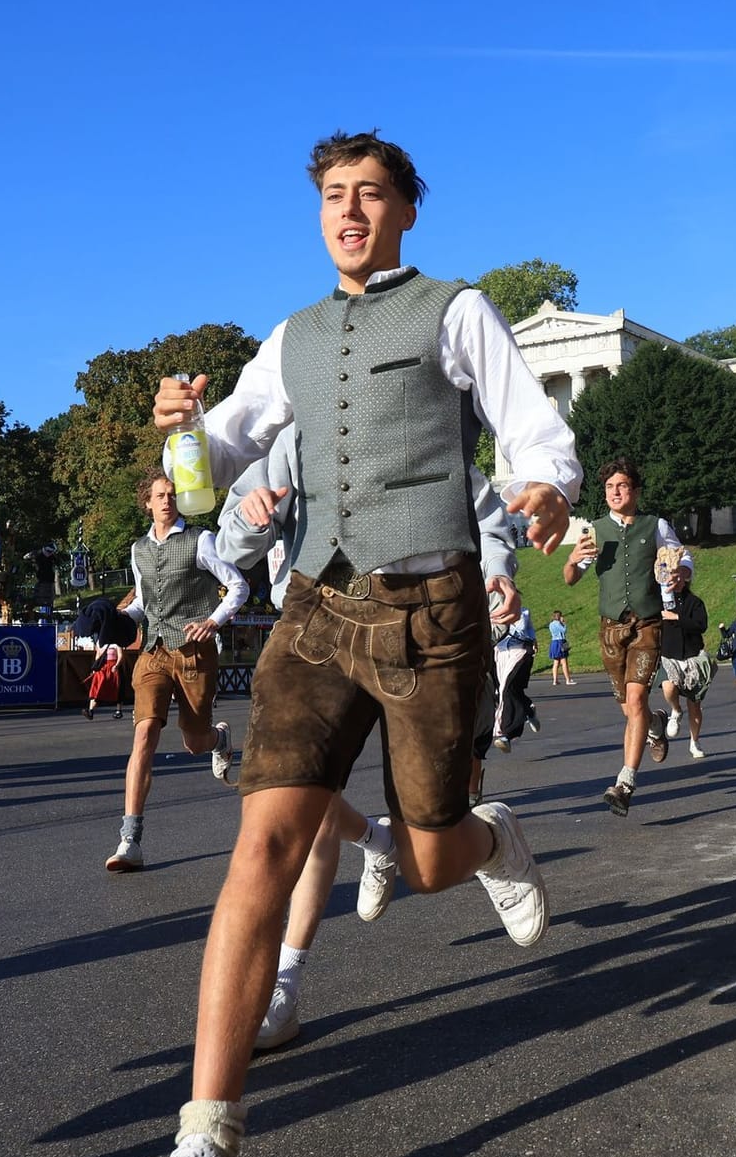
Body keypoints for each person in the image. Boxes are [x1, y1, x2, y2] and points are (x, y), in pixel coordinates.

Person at [95, 131, 576, 1157]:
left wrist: (544, 487)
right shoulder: (292, 336)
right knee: (259, 845)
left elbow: (534, 429)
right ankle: (203, 1154)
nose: (348, 211)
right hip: (315, 608)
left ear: (408, 210)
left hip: (430, 609)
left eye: (369, 194)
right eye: (332, 196)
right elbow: (221, 457)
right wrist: (182, 434)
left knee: (428, 851)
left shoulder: (456, 309)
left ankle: (491, 837)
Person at [213, 423, 522, 1052]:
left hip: (422, 635)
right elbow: (232, 541)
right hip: (314, 631)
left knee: (426, 857)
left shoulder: (422, 433)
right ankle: (285, 984)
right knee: (294, 817)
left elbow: (484, 509)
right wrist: (253, 516)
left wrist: (497, 570)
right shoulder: (294, 442)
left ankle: (471, 839)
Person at [104, 468, 249, 872]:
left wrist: (214, 621)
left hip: (194, 653)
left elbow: (238, 586)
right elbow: (141, 605)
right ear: (147, 502)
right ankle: (129, 841)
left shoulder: (201, 540)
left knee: (193, 743)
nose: (166, 500)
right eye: (159, 495)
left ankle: (217, 738)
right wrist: (117, 621)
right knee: (145, 733)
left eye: (172, 494)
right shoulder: (138, 549)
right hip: (153, 651)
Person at [564, 458, 682, 815]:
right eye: (610, 487)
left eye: (622, 486)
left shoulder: (655, 525)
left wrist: (681, 574)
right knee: (629, 709)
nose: (615, 492)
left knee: (634, 702)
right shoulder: (595, 530)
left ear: (635, 490)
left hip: (647, 623)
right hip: (610, 630)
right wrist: (571, 558)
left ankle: (625, 782)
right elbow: (570, 577)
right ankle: (656, 722)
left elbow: (680, 556)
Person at [654, 558, 711, 759]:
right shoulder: (660, 601)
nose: (672, 581)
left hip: (692, 656)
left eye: (676, 577)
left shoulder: (694, 602)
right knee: (669, 686)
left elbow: (701, 625)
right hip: (669, 655)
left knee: (694, 703)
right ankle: (675, 711)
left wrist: (677, 618)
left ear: (684, 579)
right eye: (670, 577)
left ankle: (694, 742)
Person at [490, 605, 540, 752]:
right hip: (500, 653)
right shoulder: (488, 610)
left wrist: (534, 640)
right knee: (507, 691)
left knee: (507, 689)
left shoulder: (522, 611)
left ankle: (505, 734)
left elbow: (525, 628)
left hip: (520, 651)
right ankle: (528, 710)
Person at [547, 609, 574, 685]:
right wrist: (563, 623)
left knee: (556, 662)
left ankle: (555, 680)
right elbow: (564, 630)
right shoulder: (558, 623)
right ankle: (568, 680)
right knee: (564, 661)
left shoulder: (551, 624)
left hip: (554, 642)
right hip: (560, 641)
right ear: (559, 616)